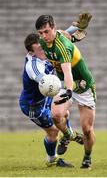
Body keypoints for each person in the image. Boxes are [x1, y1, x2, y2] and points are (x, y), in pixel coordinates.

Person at [35, 13, 96, 169]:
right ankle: (69, 136)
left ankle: (87, 156)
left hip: (82, 85)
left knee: (87, 130)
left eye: (46, 31)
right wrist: (76, 28)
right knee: (56, 115)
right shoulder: (44, 40)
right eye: (40, 33)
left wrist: (69, 90)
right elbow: (66, 33)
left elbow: (68, 71)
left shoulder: (62, 46)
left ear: (54, 28)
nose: (43, 36)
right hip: (63, 84)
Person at [19, 32, 83, 168]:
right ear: (31, 52)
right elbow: (45, 81)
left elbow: (58, 36)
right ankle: (52, 159)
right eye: (39, 50)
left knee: (63, 113)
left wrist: (75, 30)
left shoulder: (44, 50)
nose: (43, 50)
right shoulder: (33, 66)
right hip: (34, 106)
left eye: (43, 47)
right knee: (53, 131)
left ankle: (67, 135)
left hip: (46, 97)